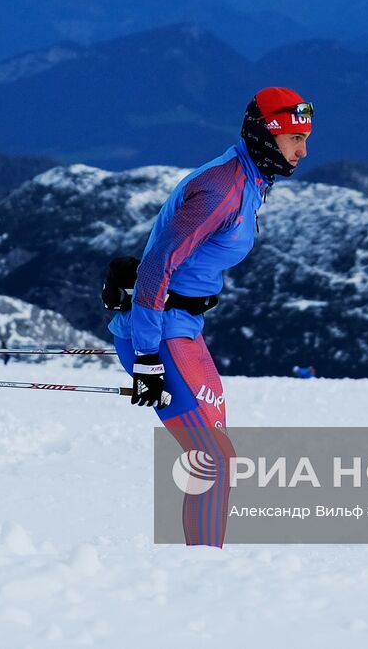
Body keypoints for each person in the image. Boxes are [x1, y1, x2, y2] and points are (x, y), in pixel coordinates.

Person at [105, 87, 313, 547]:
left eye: (305, 138)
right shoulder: (223, 188)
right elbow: (160, 265)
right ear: (265, 136)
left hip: (185, 331)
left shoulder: (252, 180)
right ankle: (200, 578)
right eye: (293, 138)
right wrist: (145, 358)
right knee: (214, 463)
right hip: (160, 336)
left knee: (220, 461)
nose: (302, 151)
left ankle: (205, 568)